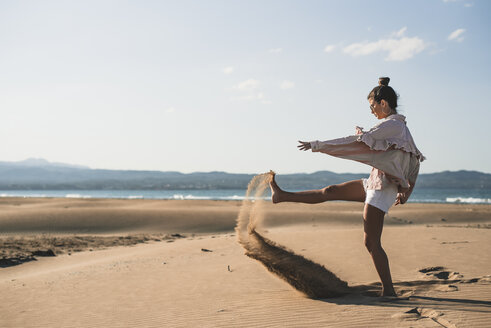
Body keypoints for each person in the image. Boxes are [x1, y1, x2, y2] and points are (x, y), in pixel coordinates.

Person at [269, 77, 424, 297]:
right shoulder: (393, 126)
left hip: (383, 189)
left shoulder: (394, 125)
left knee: (371, 242)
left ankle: (389, 291)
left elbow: (410, 160)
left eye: (372, 106)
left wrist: (318, 145)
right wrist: (407, 192)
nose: (371, 111)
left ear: (383, 103)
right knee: (330, 191)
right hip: (375, 181)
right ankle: (282, 196)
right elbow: (413, 161)